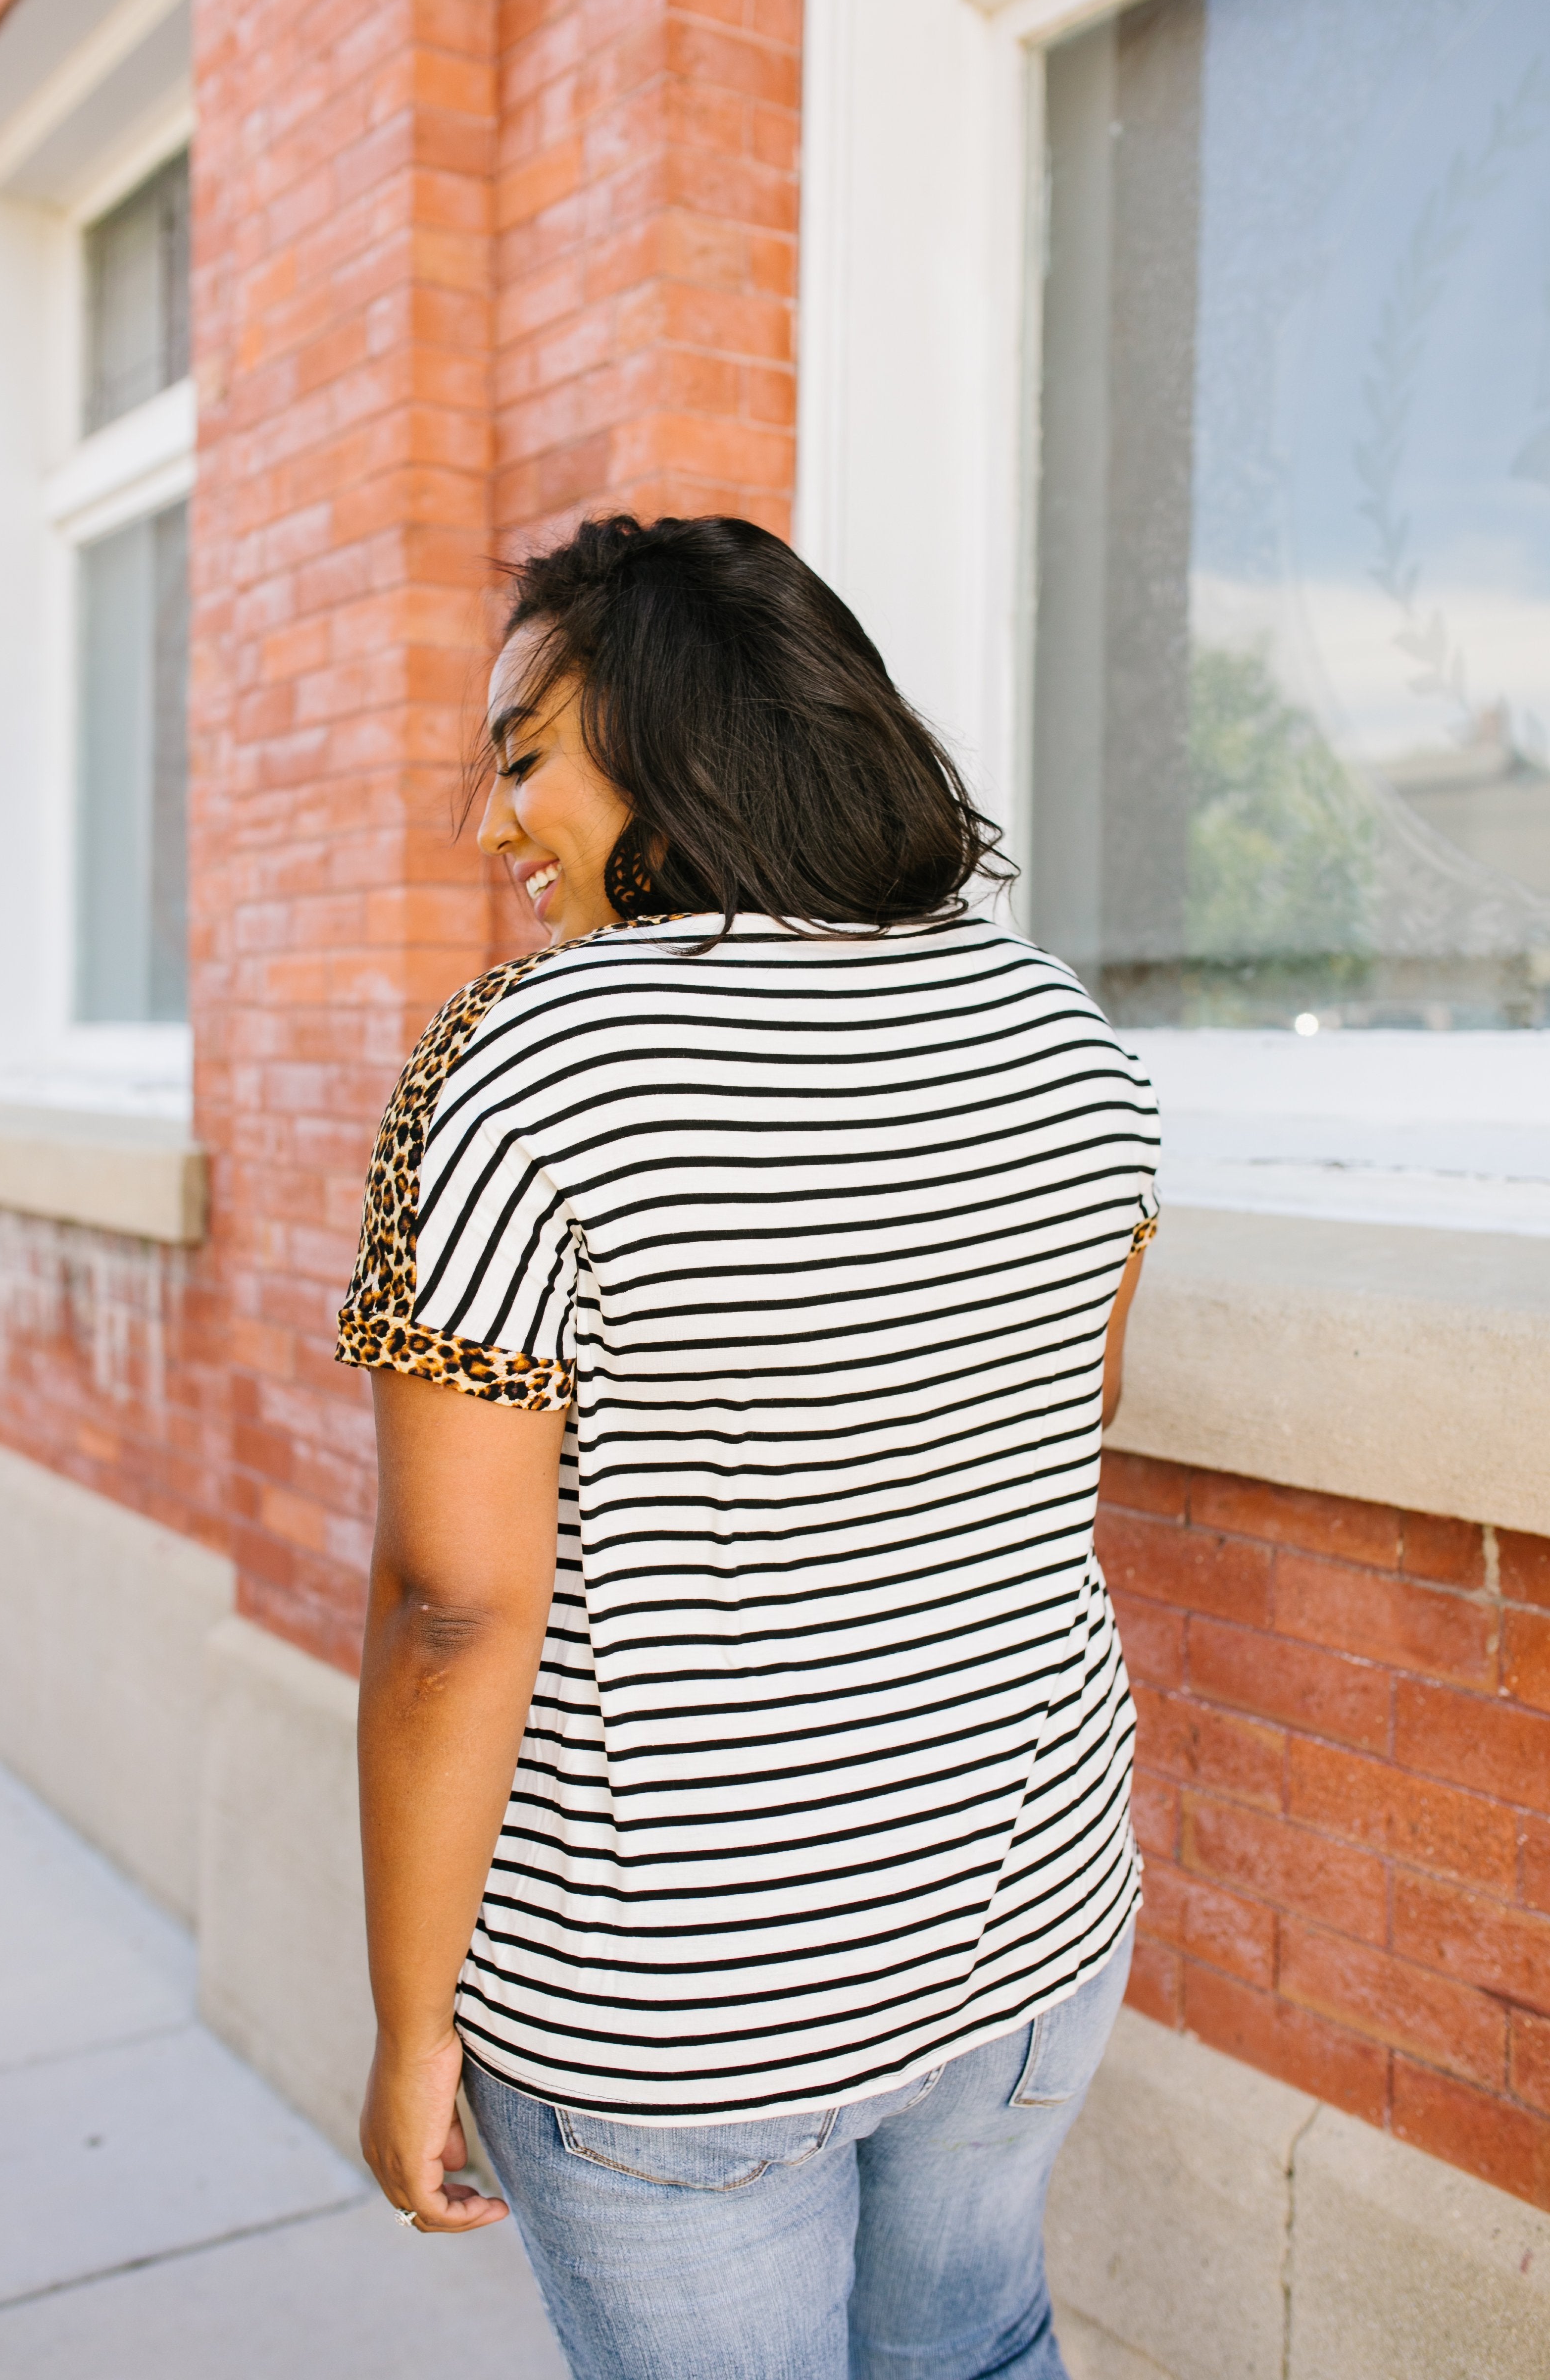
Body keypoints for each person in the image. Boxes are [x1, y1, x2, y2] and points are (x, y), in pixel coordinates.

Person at [337, 513, 1159, 2380]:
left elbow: (455, 1608)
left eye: (523, 756)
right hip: (1032, 1907)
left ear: (669, 734)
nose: (492, 828)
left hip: (677, 2006)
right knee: (977, 2347)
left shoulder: (525, 1062)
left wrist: (406, 2028)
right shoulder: (1065, 1030)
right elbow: (1065, 1414)